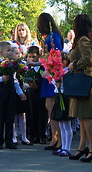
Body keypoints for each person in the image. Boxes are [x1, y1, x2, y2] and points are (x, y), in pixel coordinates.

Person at [68, 14, 92, 162]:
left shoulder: (83, 40)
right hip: (85, 80)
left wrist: (73, 64)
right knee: (82, 117)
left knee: (86, 117)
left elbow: (87, 59)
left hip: (84, 80)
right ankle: (82, 147)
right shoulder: (88, 39)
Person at [36, 12, 63, 151]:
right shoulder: (50, 37)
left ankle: (57, 138)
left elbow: (57, 55)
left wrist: (51, 71)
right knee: (49, 106)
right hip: (48, 73)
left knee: (51, 106)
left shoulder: (53, 37)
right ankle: (55, 137)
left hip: (52, 75)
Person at [52, 53, 73, 156]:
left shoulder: (67, 72)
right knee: (61, 124)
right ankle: (63, 146)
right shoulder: (58, 72)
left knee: (66, 124)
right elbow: (53, 82)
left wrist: (59, 81)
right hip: (58, 95)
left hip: (65, 97)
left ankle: (67, 147)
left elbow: (66, 84)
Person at [26, 45, 47, 144]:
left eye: (33, 57)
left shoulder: (43, 67)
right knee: (32, 113)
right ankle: (32, 135)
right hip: (31, 93)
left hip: (41, 92)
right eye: (29, 57)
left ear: (38, 56)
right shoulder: (27, 69)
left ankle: (42, 135)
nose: (31, 59)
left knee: (42, 113)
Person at [11, 46, 31, 145]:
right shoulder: (10, 65)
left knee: (22, 115)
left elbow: (26, 76)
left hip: (22, 90)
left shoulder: (23, 64)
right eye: (16, 53)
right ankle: (14, 136)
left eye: (19, 53)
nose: (18, 55)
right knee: (14, 115)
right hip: (13, 92)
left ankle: (24, 136)